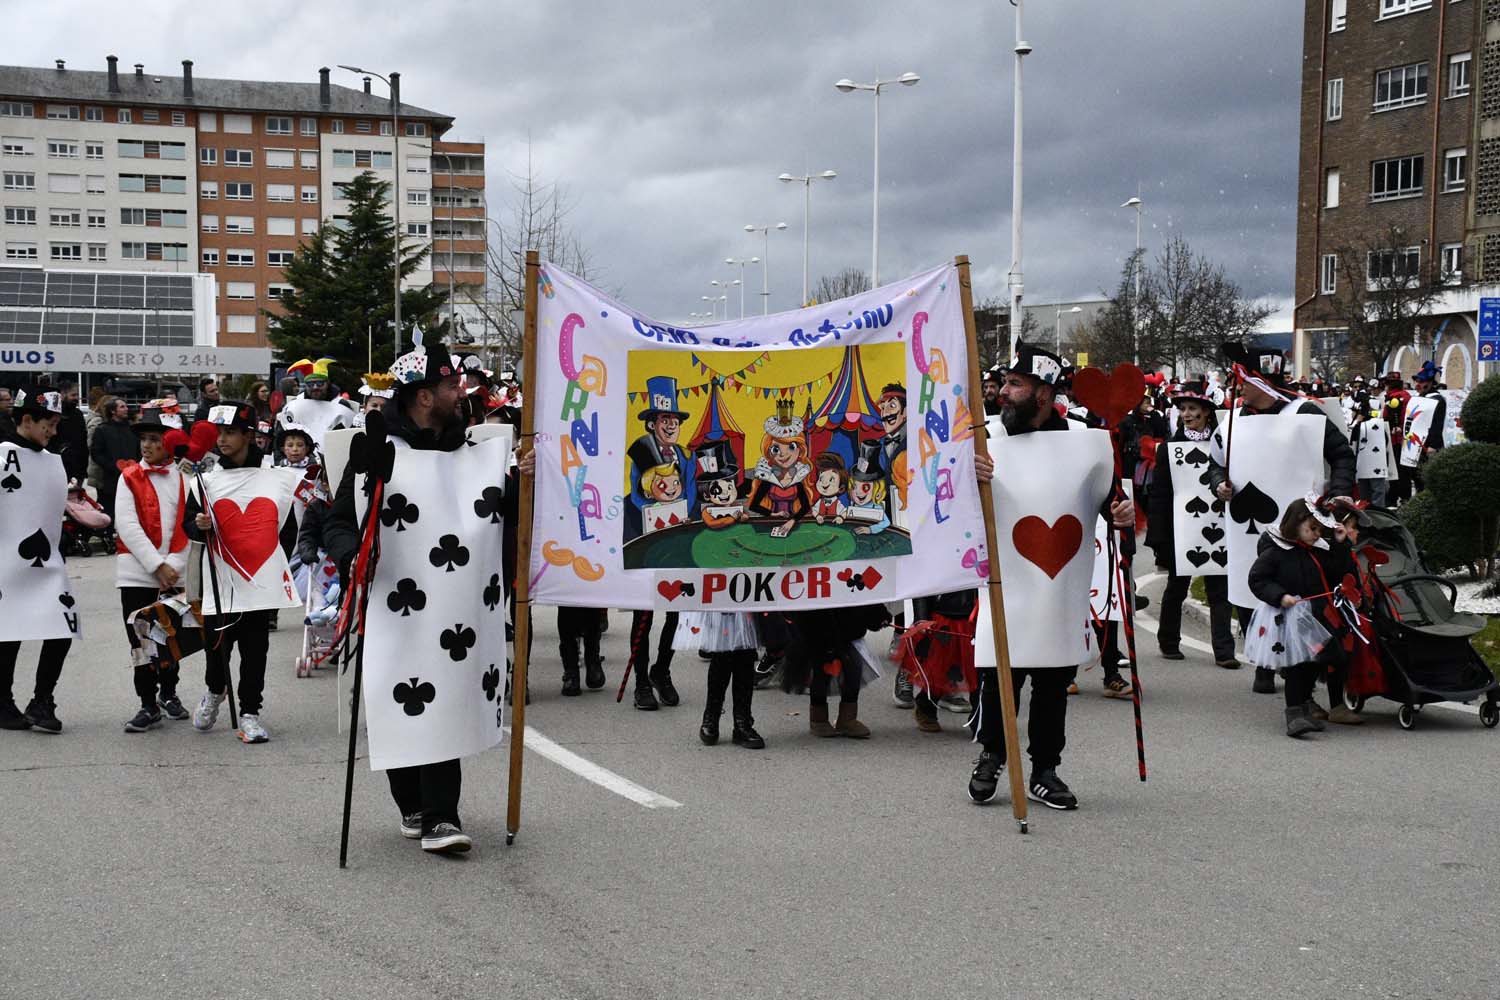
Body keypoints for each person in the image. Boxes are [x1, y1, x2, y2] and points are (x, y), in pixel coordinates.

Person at [324, 336, 526, 855]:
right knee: (400, 701)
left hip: (455, 609)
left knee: (443, 701)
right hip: (394, 605)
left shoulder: (477, 456)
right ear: (422, 396)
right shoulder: (377, 454)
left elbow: (505, 521)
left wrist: (523, 485)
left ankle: (441, 815)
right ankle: (412, 804)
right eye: (449, 383)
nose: (460, 391)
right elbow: (339, 523)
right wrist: (352, 558)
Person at [966, 344, 1134, 810]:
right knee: (1000, 673)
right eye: (1004, 383)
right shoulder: (987, 440)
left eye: (1015, 385)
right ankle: (992, 755)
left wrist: (1121, 515)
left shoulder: (1084, 443)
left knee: (1052, 681)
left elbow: (1109, 502)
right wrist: (968, 476)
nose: (1003, 393)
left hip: (1060, 588)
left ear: (1043, 393)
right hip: (1006, 585)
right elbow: (953, 509)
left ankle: (1045, 769)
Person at [1206, 345, 1355, 696]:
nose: (1237, 386)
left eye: (1243, 380)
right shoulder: (1232, 420)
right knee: (1248, 591)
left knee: (1298, 594)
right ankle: (1264, 660)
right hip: (1246, 529)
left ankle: (1294, 671)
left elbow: (1342, 455)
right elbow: (1214, 462)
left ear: (1261, 381)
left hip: (1299, 526)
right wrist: (1218, 485)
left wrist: (1341, 494)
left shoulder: (1304, 413)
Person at [182, 401, 286, 744]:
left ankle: (250, 712)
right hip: (220, 580)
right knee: (217, 648)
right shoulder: (206, 481)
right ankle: (214, 690)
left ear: (248, 435)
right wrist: (200, 526)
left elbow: (289, 519)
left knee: (256, 651)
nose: (222, 440)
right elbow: (188, 525)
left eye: (229, 432)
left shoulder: (272, 474)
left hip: (258, 579)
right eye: (217, 433)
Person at [1145, 381, 1239, 668]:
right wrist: (1159, 538)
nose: (1186, 414)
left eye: (1193, 409)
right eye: (1183, 409)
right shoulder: (1169, 450)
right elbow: (1159, 496)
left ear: (1207, 413)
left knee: (1219, 590)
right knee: (1176, 587)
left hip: (1219, 525)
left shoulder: (1225, 447)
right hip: (1181, 530)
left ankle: (1224, 651)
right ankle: (1168, 641)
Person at [1246, 498, 1355, 738]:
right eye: (1312, 529)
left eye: (1319, 530)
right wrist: (1280, 595)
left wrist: (1339, 544)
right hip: (1289, 618)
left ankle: (1305, 706)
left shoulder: (1316, 551)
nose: (1317, 534)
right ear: (1296, 524)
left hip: (1315, 616)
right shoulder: (1276, 553)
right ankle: (1294, 714)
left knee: (1317, 661)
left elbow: (1338, 571)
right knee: (1297, 664)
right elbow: (1257, 579)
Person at [0, 386, 74, 733]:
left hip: (48, 562)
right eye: (49, 424)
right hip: (7, 563)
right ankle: (2, 701)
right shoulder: (3, 456)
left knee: (62, 628)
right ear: (27, 419)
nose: (54, 431)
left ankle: (42, 700)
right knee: (8, 634)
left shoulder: (53, 461)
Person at [113, 414, 191, 733]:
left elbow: (188, 523)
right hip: (137, 573)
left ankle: (169, 693)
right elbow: (127, 524)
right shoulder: (129, 476)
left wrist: (172, 565)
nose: (147, 445)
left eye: (155, 440)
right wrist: (155, 564)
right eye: (143, 439)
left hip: (176, 572)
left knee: (171, 637)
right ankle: (147, 702)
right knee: (141, 641)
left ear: (170, 443)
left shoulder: (186, 477)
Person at [679, 612, 765, 749]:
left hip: (746, 600)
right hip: (721, 601)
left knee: (746, 650)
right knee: (722, 651)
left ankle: (742, 721)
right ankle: (711, 715)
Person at [89, 395, 139, 528]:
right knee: (108, 509)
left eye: (126, 406)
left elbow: (139, 451)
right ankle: (106, 534)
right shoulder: (102, 430)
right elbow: (96, 453)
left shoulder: (132, 429)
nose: (126, 409)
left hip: (132, 477)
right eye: (122, 407)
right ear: (113, 411)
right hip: (110, 478)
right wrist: (112, 466)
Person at [52, 381, 90, 486]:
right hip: (60, 465)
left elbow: (83, 440)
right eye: (73, 395)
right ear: (62, 395)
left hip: (78, 466)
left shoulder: (78, 414)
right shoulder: (53, 414)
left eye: (77, 395)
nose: (76, 398)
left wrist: (83, 467)